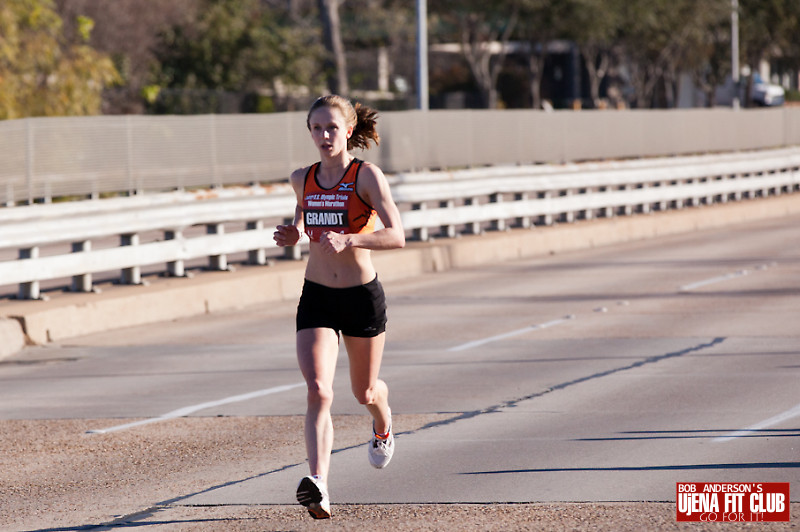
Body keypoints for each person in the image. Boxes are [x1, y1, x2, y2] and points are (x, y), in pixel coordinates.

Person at [273, 95, 405, 519]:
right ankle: (319, 484)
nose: (324, 136)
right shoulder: (302, 178)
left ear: (348, 131)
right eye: (316, 128)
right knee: (318, 390)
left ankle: (383, 424)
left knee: (363, 391)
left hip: (360, 297)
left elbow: (397, 234)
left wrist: (352, 239)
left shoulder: (366, 177)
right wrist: (293, 233)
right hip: (317, 298)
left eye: (332, 128)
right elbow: (303, 210)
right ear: (308, 132)